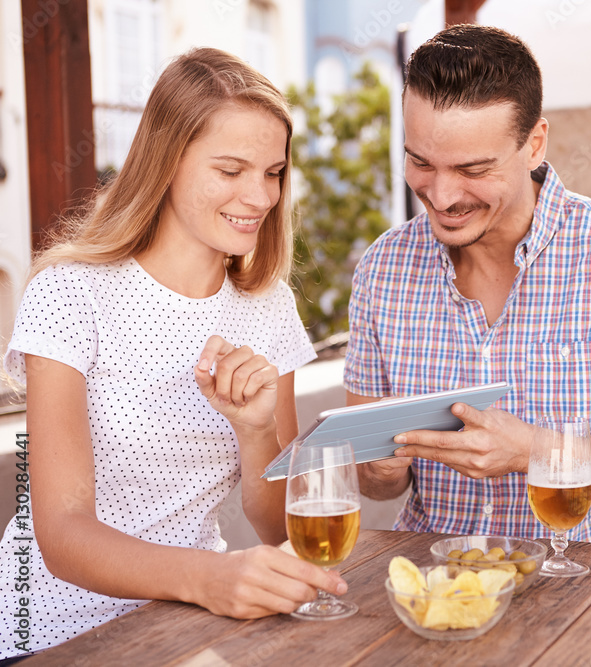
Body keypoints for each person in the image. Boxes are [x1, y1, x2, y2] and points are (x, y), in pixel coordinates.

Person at [0, 48, 346, 660]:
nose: (260, 196)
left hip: (187, 625)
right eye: (232, 169)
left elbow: (281, 527)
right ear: (167, 162)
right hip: (51, 631)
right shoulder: (70, 293)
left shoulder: (267, 309)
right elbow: (61, 534)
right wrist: (212, 577)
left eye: (273, 172)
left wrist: (257, 429)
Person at [345, 25, 591, 549]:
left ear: (534, 144)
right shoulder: (384, 267)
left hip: (586, 575)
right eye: (420, 161)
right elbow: (378, 480)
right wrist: (375, 466)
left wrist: (530, 450)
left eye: (473, 168)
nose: (441, 195)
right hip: (436, 581)